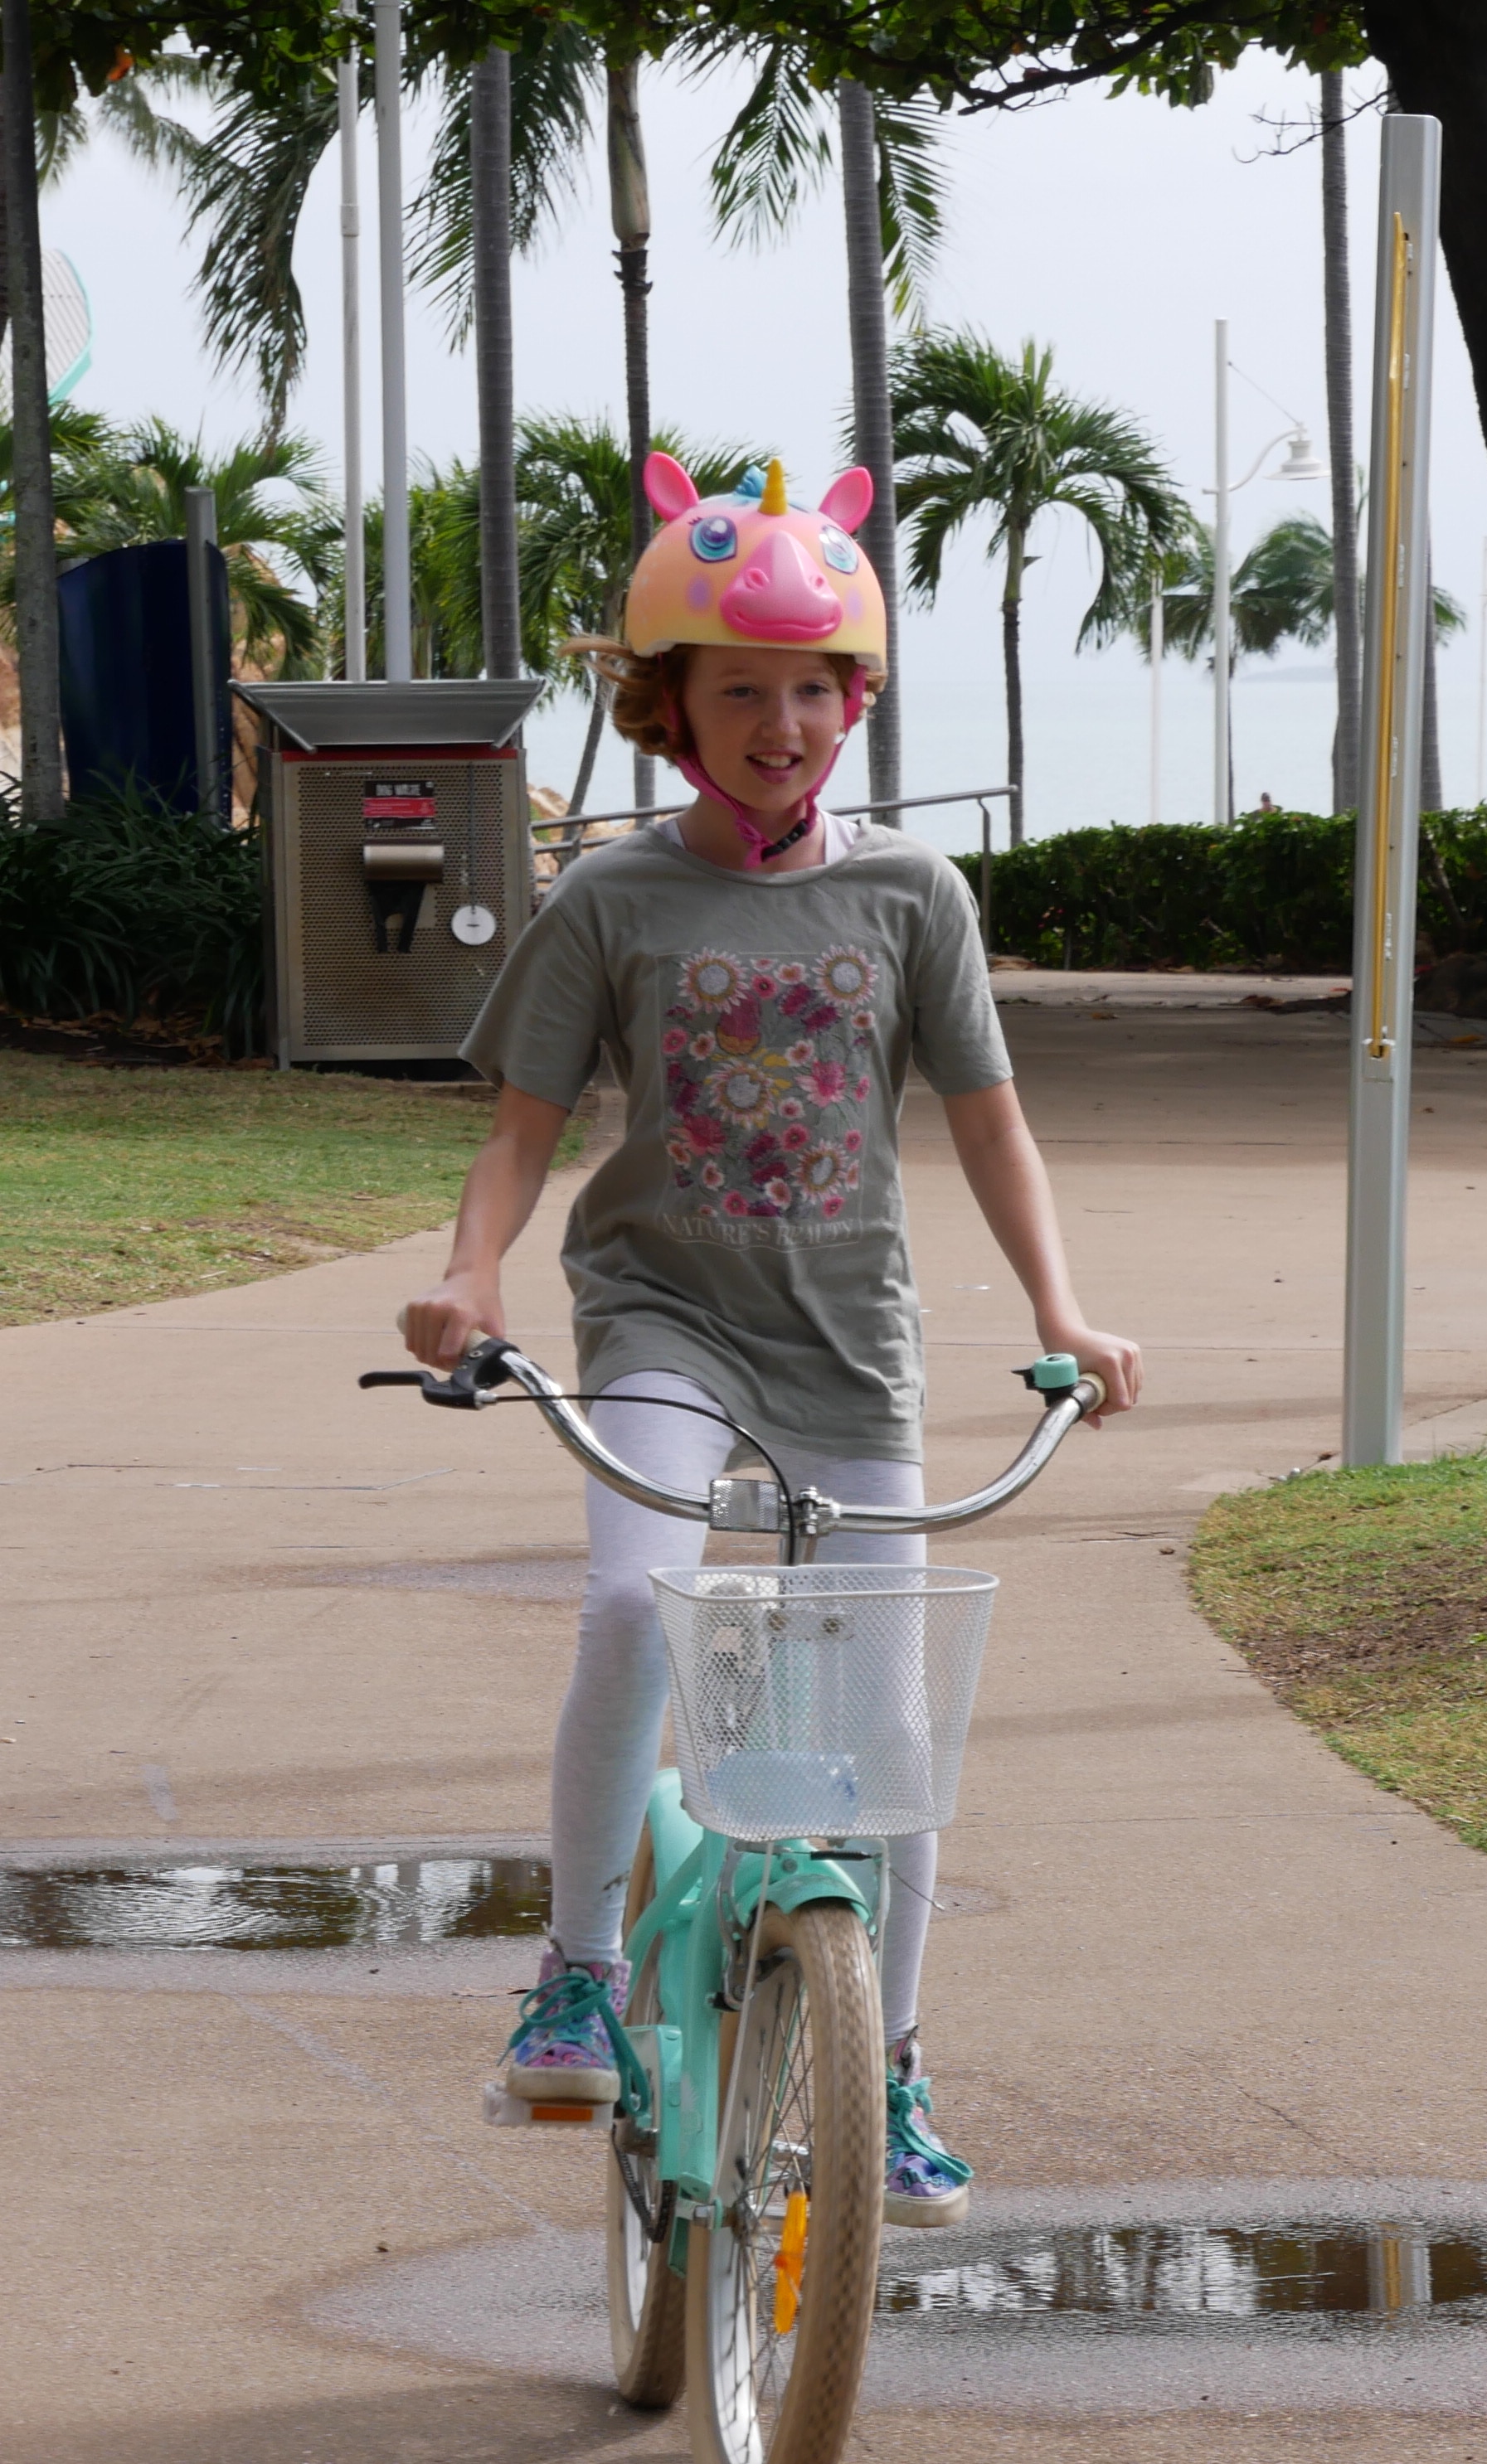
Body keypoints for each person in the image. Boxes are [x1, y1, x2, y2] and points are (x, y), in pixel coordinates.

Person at [400, 452, 1141, 2230]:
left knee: (888, 1724)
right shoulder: (611, 900)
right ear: (671, 709)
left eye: (816, 689)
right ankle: (574, 1969)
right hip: (663, 1313)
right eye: (741, 689)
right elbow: (520, 1126)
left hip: (848, 1344)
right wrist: (471, 1278)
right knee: (624, 1601)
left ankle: (886, 2060)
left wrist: (1061, 1308)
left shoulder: (913, 898)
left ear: (856, 701)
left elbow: (987, 1122)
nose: (783, 721)